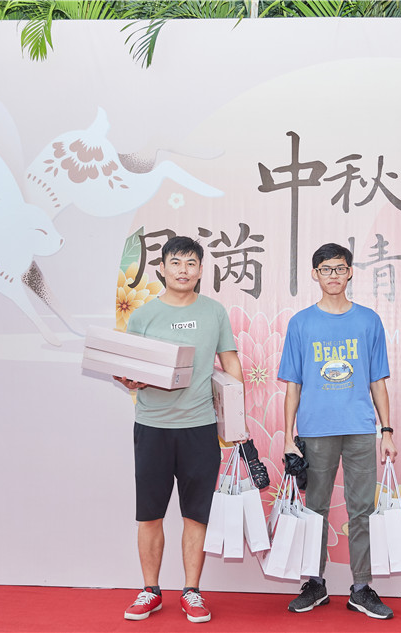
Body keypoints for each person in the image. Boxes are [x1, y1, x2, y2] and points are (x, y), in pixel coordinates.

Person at [114, 236, 243, 624]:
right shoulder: (143, 316)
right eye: (176, 262)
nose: (183, 270)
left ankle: (191, 591)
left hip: (199, 428)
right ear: (163, 268)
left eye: (190, 263)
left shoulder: (214, 312)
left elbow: (230, 363)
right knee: (149, 514)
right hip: (152, 426)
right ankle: (150, 590)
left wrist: (236, 414)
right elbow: (129, 367)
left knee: (196, 514)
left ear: (201, 270)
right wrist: (129, 379)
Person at [278, 242, 399, 620]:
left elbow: (378, 381)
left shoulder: (368, 321)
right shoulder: (301, 323)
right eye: (326, 269)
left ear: (350, 272)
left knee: (362, 509)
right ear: (315, 274)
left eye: (340, 268)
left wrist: (386, 430)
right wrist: (288, 436)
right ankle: (315, 583)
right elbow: (293, 385)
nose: (334, 275)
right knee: (314, 509)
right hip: (315, 430)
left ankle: (361, 588)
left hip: (360, 429)